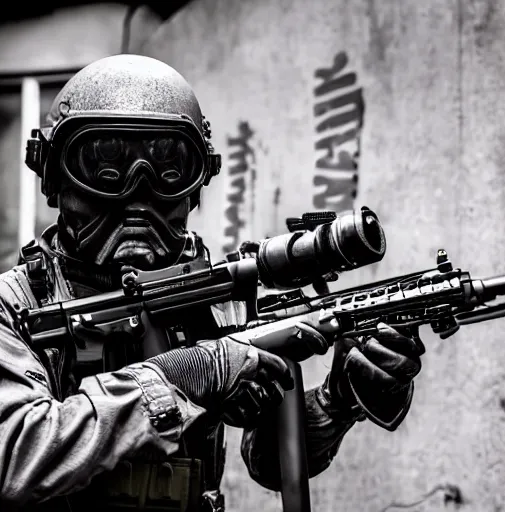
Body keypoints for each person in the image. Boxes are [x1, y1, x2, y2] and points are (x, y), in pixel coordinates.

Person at [0, 54, 425, 512]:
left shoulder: (212, 298)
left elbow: (269, 464)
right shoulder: (14, 304)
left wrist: (337, 402)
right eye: (106, 169)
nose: (136, 194)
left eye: (167, 171)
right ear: (54, 177)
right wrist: (185, 373)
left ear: (196, 183)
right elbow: (13, 458)